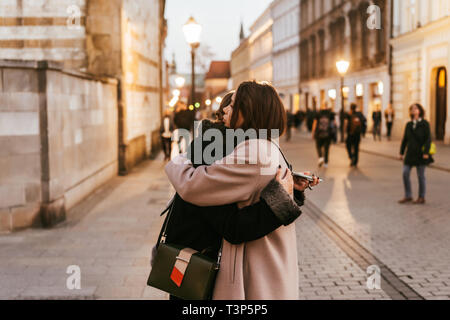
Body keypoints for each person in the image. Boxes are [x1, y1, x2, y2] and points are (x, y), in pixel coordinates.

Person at [165, 81, 318, 300]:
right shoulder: (269, 145)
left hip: (256, 269)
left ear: (249, 111)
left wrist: (180, 161)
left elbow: (193, 186)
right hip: (270, 261)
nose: (226, 109)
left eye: (233, 104)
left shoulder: (252, 152)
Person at [398, 103, 433, 205]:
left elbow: (428, 139)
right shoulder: (409, 124)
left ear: (420, 111)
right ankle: (408, 195)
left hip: (421, 154)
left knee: (420, 176)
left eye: (416, 108)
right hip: (410, 154)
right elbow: (404, 139)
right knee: (405, 173)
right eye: (412, 109)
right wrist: (401, 152)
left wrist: (426, 152)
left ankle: (421, 197)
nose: (413, 110)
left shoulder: (425, 124)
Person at [311, 103, 336, 168]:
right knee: (326, 148)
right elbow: (334, 124)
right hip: (328, 134)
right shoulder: (331, 114)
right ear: (327, 106)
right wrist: (334, 133)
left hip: (319, 133)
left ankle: (320, 157)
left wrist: (313, 132)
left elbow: (315, 123)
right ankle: (326, 163)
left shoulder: (318, 113)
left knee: (318, 146)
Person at [344, 103, 367, 168]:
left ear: (351, 108)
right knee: (356, 148)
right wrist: (363, 131)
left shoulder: (349, 114)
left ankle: (351, 157)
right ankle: (355, 162)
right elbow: (364, 121)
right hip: (357, 134)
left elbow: (345, 122)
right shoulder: (360, 114)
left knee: (348, 145)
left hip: (350, 134)